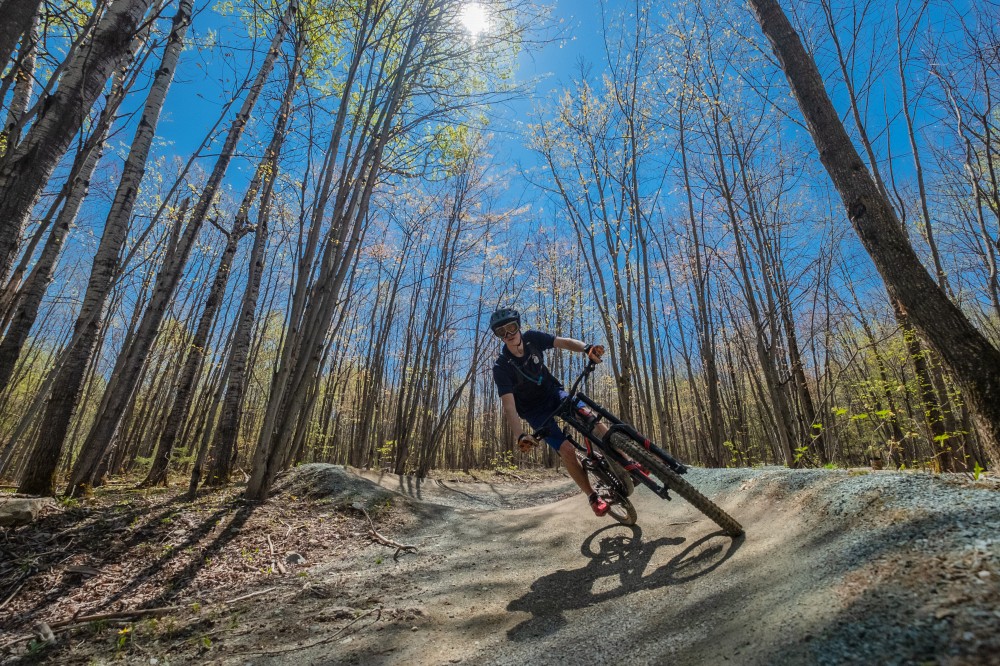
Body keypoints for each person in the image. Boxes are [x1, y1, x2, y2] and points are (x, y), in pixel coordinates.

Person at [489, 307, 610, 516]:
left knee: (589, 416)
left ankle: (628, 459)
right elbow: (509, 406)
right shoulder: (501, 367)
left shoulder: (532, 339)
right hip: (534, 412)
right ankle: (592, 496)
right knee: (567, 450)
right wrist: (519, 434)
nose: (508, 335)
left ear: (519, 326)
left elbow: (563, 342)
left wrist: (586, 348)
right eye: (502, 332)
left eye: (511, 328)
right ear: (499, 336)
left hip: (554, 393)